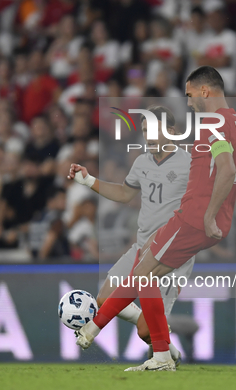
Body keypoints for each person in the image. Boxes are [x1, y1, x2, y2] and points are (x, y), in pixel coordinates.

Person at [72, 66, 236, 371]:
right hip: (212, 221)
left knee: (143, 270)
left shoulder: (211, 122)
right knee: (146, 271)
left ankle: (120, 341)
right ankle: (147, 351)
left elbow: (224, 169)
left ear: (204, 91)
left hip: (195, 216)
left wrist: (208, 214)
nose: (187, 102)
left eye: (188, 94)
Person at [68, 105, 193, 366]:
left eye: (154, 130)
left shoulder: (190, 162)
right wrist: (89, 180)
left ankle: (162, 345)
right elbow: (125, 194)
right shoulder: (142, 161)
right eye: (145, 131)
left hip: (172, 255)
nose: (148, 136)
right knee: (104, 299)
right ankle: (166, 349)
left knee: (145, 331)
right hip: (141, 246)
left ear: (171, 131)